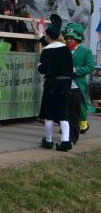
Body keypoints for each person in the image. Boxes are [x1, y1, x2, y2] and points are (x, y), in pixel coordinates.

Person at [38, 14, 74, 151]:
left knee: (49, 115)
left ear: (47, 37)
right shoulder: (66, 49)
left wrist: (39, 66)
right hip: (66, 84)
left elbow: (43, 70)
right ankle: (65, 142)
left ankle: (48, 141)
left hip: (52, 85)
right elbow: (70, 68)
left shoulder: (46, 51)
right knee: (64, 115)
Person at [64, 23, 96, 135]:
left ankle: (83, 124)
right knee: (66, 105)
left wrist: (76, 70)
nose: (69, 40)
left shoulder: (86, 51)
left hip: (78, 83)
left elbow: (90, 67)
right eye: (67, 38)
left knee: (80, 105)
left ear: (77, 39)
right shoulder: (63, 50)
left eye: (72, 38)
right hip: (65, 82)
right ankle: (67, 125)